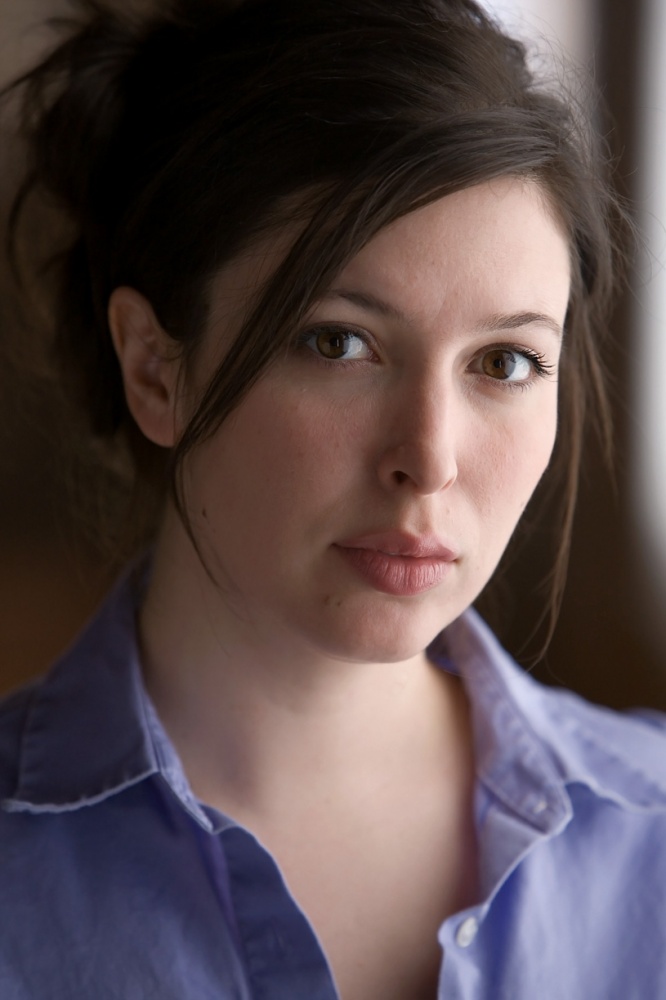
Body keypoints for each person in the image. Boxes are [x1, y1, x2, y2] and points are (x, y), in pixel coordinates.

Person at [1, 0, 665, 997]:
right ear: (153, 368)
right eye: (338, 342)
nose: (430, 458)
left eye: (506, 360)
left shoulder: (650, 843)